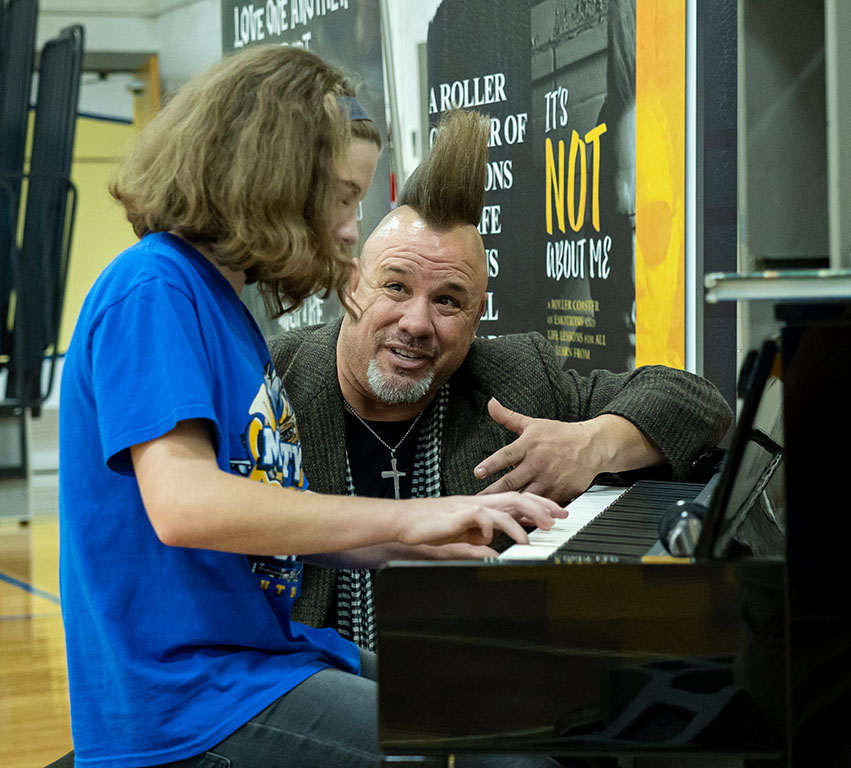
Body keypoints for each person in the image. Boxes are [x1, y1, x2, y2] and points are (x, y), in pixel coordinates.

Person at [58, 46, 568, 768]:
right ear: (269, 180)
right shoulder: (153, 290)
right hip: (190, 700)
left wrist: (425, 537)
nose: (351, 227)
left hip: (261, 663)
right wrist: (406, 515)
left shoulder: (224, 309)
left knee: (515, 714)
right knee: (465, 748)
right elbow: (187, 507)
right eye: (339, 196)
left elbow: (274, 524)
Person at [268, 109, 733, 647]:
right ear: (352, 285)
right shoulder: (276, 380)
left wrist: (593, 444)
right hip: (311, 681)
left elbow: (695, 401)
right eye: (395, 287)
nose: (417, 323)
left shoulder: (514, 377)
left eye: (448, 301)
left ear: (477, 315)